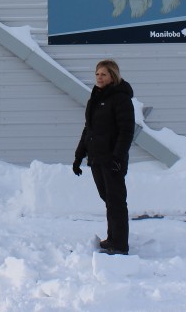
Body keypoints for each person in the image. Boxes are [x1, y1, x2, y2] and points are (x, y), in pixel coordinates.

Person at [72, 58, 136, 255]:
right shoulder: (96, 98)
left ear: (112, 76)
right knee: (107, 199)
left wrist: (118, 157)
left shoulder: (120, 99)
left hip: (112, 159)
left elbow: (126, 131)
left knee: (116, 201)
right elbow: (89, 129)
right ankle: (113, 239)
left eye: (104, 74)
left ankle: (120, 245)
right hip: (97, 158)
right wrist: (79, 155)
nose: (99, 77)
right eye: (97, 74)